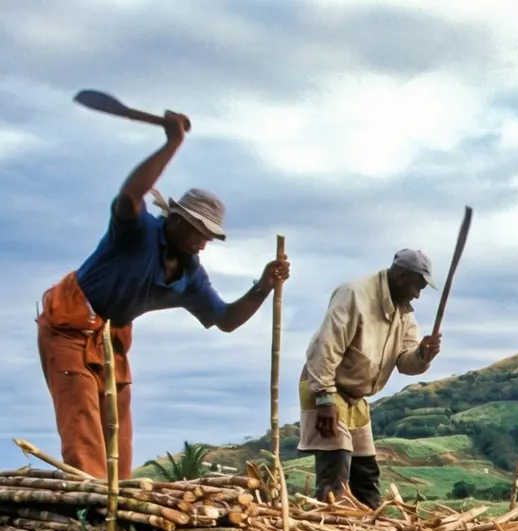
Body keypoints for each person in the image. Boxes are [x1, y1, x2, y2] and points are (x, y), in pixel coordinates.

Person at [37, 112, 289, 479]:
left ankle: (117, 503)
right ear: (176, 221)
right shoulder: (137, 232)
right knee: (83, 428)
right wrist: (172, 144)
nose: (203, 243)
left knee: (118, 434)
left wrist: (264, 284)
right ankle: (90, 510)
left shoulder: (190, 276)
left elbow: (226, 320)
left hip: (112, 339)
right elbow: (129, 196)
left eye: (209, 237)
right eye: (199, 233)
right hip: (69, 327)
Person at [298, 251, 442, 508]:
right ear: (400, 276)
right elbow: (326, 346)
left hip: (356, 398)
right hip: (327, 388)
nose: (417, 295)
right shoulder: (354, 294)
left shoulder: (404, 313)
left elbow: (405, 362)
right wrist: (324, 397)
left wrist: (422, 354)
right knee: (336, 469)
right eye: (416, 287)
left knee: (366, 476)